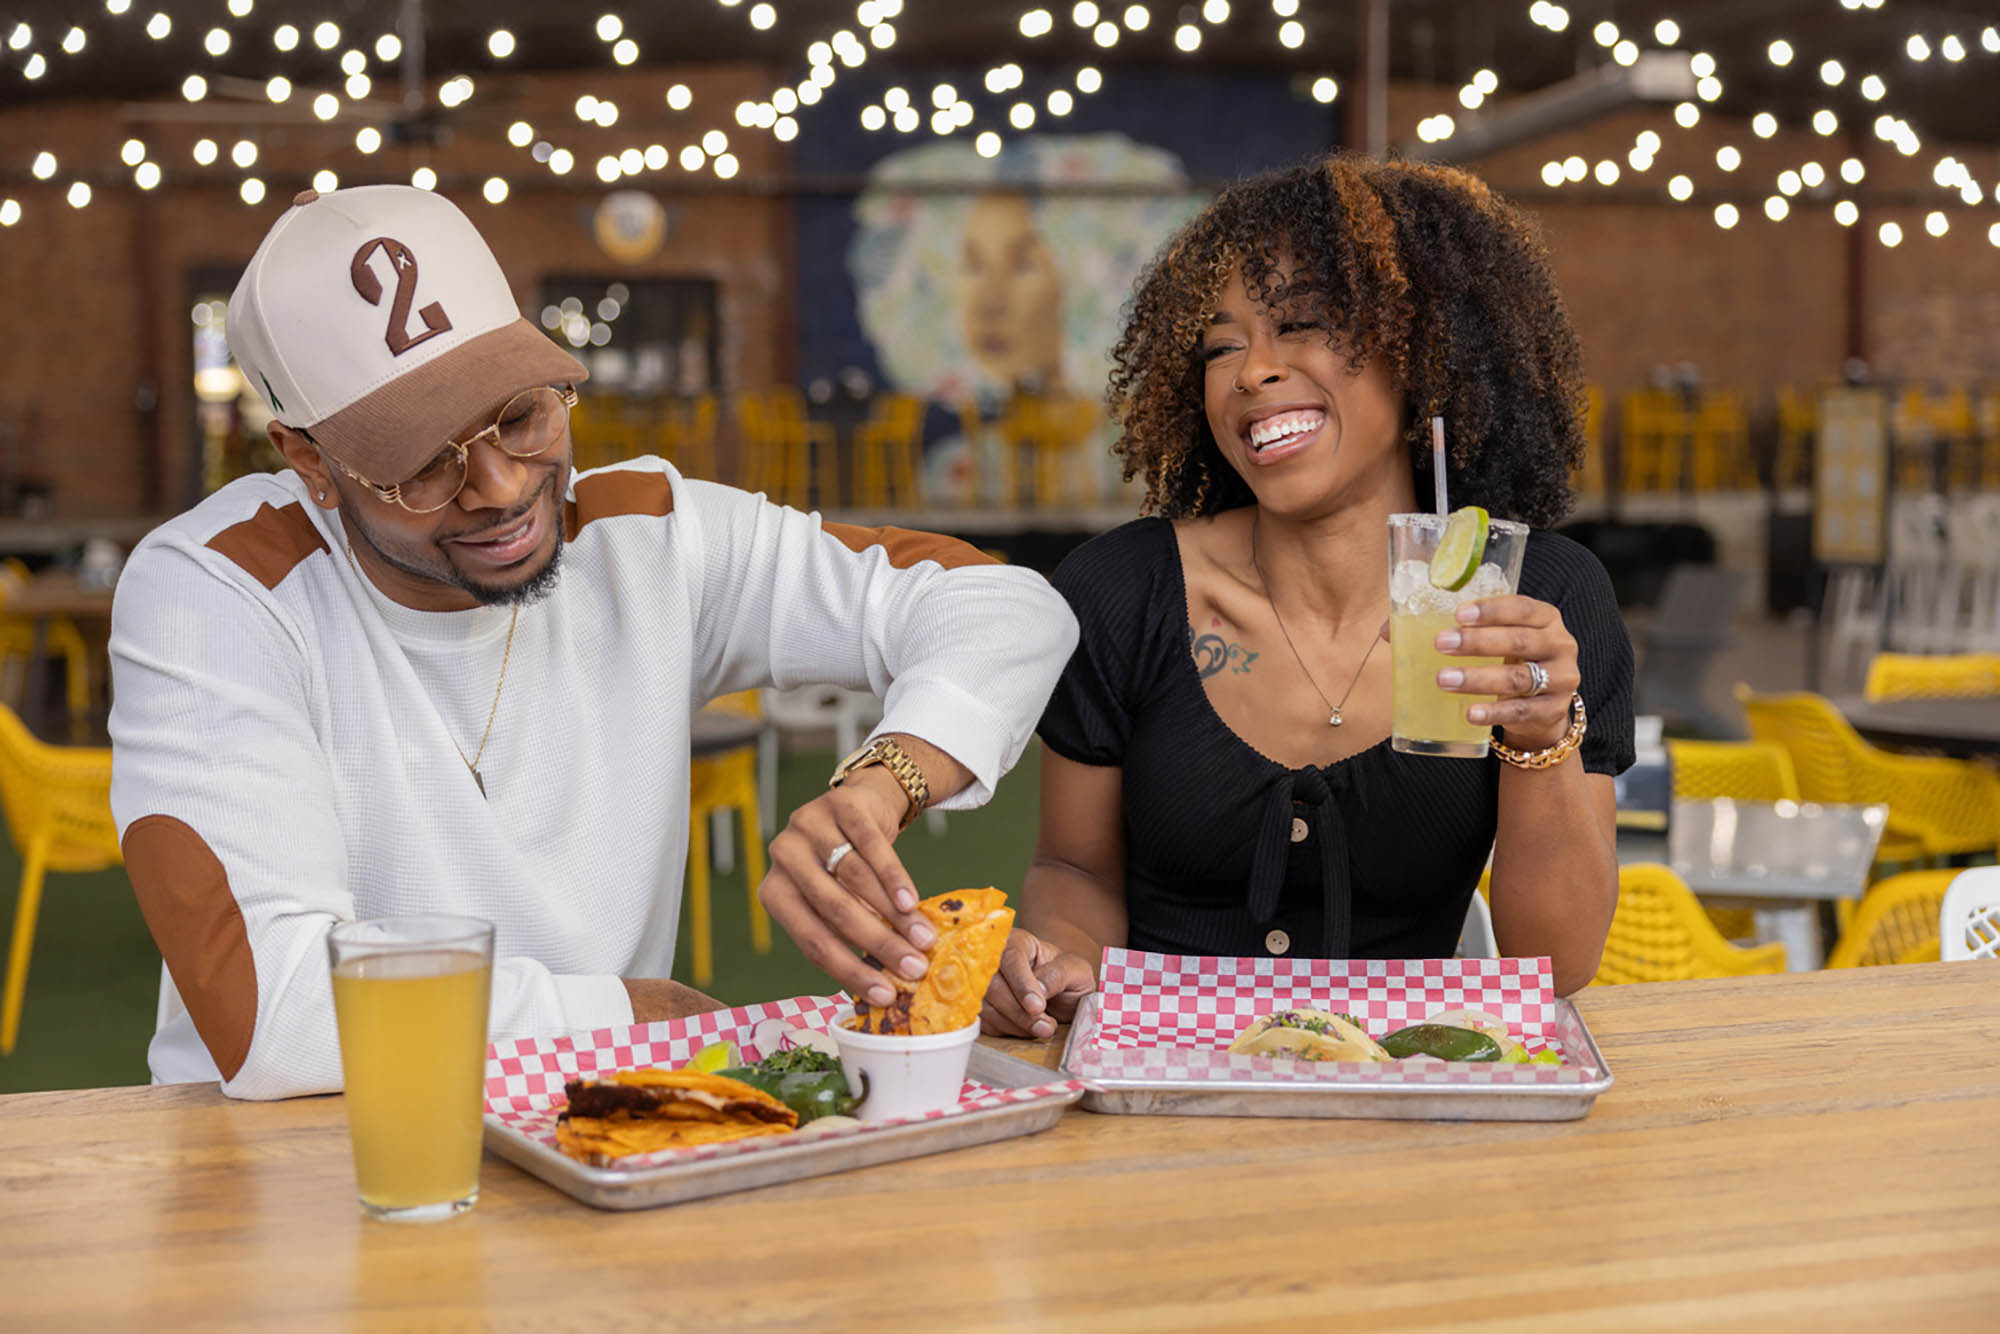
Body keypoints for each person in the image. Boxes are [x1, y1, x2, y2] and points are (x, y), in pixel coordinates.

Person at [108, 184, 1076, 1099]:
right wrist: (634, 1013)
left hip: (592, 1134)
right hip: (291, 1166)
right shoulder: (216, 587)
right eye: (418, 462)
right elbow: (270, 1012)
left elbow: (1004, 602)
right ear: (310, 460)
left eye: (520, 413)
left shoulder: (643, 534)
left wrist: (883, 779)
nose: (499, 485)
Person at [981, 154, 1634, 1039]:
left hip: (1401, 1096)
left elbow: (1553, 964)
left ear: (1425, 352)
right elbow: (1075, 871)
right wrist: (1057, 959)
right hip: (1162, 1089)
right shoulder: (1120, 592)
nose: (1251, 371)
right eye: (1220, 347)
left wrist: (1541, 737)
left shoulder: (1534, 600)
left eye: (1301, 324)